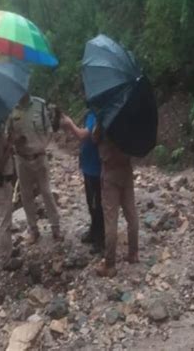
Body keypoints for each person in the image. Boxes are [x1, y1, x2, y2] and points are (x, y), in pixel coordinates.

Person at [8, 93, 61, 243]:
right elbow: (8, 136)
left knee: (46, 192)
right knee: (26, 195)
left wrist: (42, 146)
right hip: (21, 158)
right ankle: (33, 229)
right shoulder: (11, 109)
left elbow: (49, 130)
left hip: (39, 157)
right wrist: (15, 139)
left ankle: (55, 227)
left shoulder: (39, 105)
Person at [93, 125, 139, 278]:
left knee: (111, 220)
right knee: (131, 213)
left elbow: (94, 138)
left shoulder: (106, 116)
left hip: (110, 171)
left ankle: (110, 264)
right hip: (126, 168)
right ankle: (133, 253)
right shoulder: (128, 118)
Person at [61, 109, 105, 254]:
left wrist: (69, 123)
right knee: (90, 202)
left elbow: (83, 135)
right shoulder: (91, 112)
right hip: (88, 165)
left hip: (95, 167)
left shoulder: (97, 114)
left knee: (97, 204)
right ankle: (94, 231)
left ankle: (101, 239)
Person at [0, 126, 22, 270]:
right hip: (1, 181)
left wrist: (8, 142)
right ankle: (4, 259)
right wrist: (10, 146)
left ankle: (6, 249)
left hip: (4, 181)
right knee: (4, 220)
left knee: (4, 216)